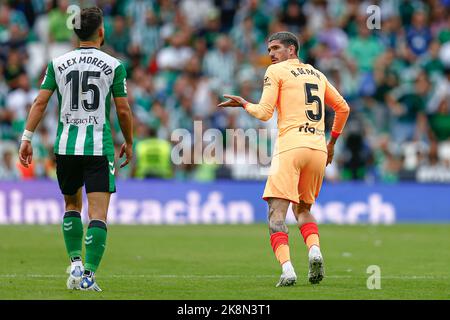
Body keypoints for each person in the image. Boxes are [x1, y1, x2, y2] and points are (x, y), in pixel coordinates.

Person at [218, 31, 350, 287]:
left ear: (292, 50)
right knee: (303, 209)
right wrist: (332, 142)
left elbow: (265, 113)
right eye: (269, 50)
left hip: (290, 148)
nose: (271, 55)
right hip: (317, 150)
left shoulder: (275, 72)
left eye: (276, 48)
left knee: (276, 214)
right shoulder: (317, 74)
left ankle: (288, 269)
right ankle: (314, 251)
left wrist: (244, 104)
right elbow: (343, 107)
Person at [18, 7, 133, 291]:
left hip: (66, 147)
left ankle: (76, 263)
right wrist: (129, 141)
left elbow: (40, 102)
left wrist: (26, 137)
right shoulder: (114, 65)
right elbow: (123, 109)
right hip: (97, 148)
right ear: (101, 31)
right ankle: (88, 276)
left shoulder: (58, 63)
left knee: (71, 206)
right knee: (98, 215)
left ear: (75, 31)